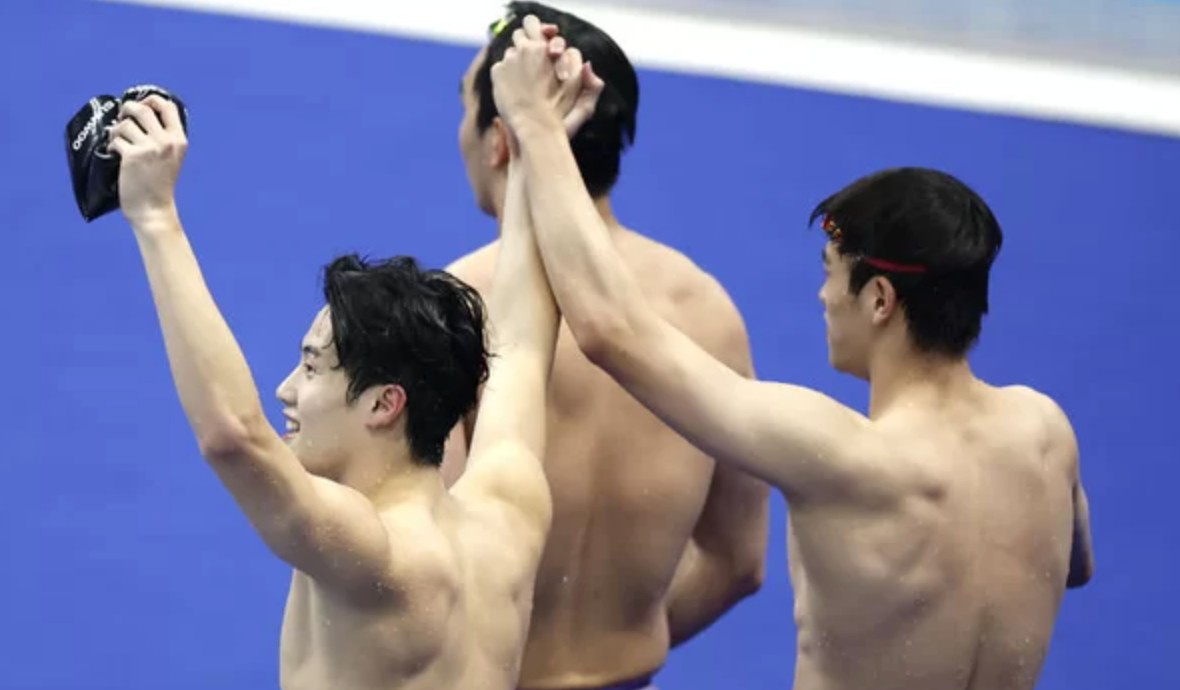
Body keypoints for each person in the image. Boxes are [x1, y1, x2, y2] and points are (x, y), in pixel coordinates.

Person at [491, 17, 1096, 690]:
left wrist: (536, 126)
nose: (822, 295)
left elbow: (613, 331)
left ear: (880, 300)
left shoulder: (842, 458)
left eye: (831, 272)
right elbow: (1073, 566)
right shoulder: (1046, 433)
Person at [106, 94, 560, 690]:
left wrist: (155, 216)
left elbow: (234, 437)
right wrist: (533, 137)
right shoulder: (508, 512)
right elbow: (522, 347)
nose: (286, 391)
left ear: (383, 403)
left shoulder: (380, 555)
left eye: (311, 367)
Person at [448, 4, 771, 689]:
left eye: (463, 107)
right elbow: (739, 562)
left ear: (501, 140)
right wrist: (620, 649)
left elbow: (423, 565)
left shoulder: (453, 308)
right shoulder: (707, 312)